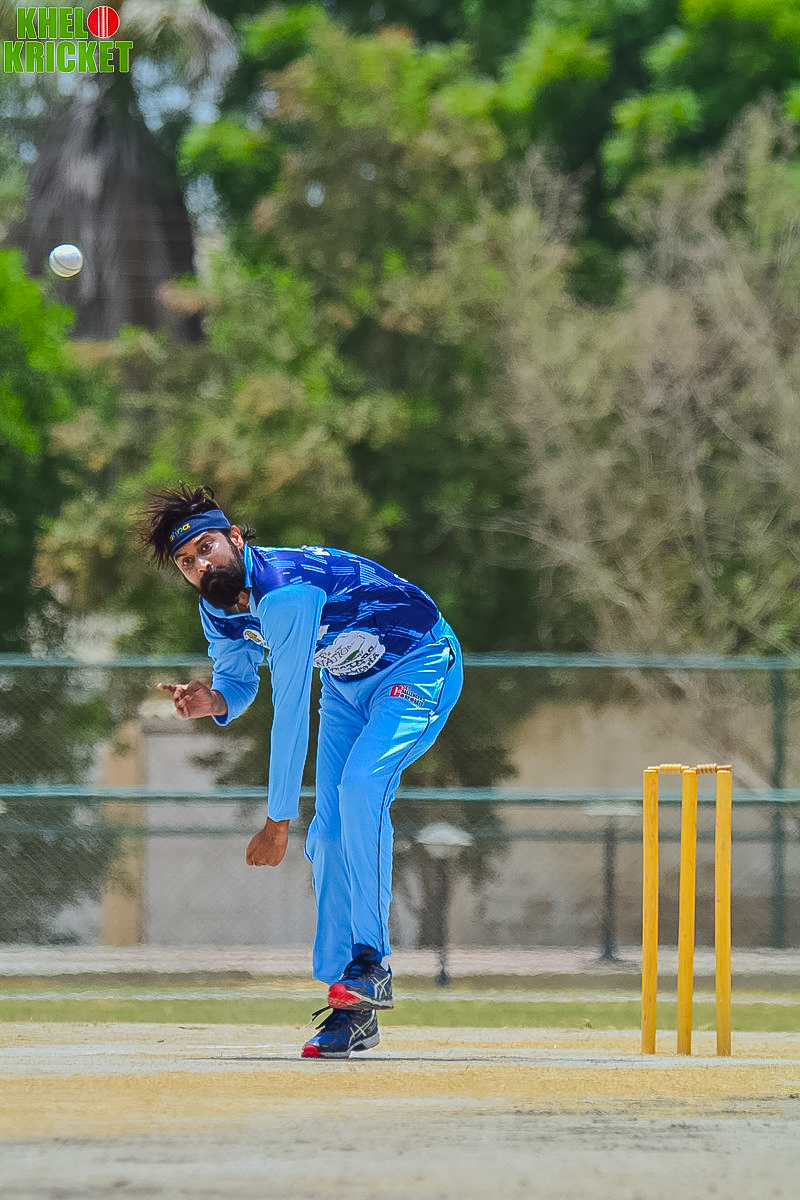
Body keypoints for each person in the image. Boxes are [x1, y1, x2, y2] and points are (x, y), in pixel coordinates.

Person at [144, 484, 463, 1059]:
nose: (200, 566)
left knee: (362, 786)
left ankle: (372, 965)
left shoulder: (285, 590)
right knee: (331, 833)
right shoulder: (217, 607)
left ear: (235, 538)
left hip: (417, 664)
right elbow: (239, 679)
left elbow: (289, 708)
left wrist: (277, 820)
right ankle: (352, 1011)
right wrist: (216, 699)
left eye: (207, 548)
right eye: (186, 562)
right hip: (346, 687)